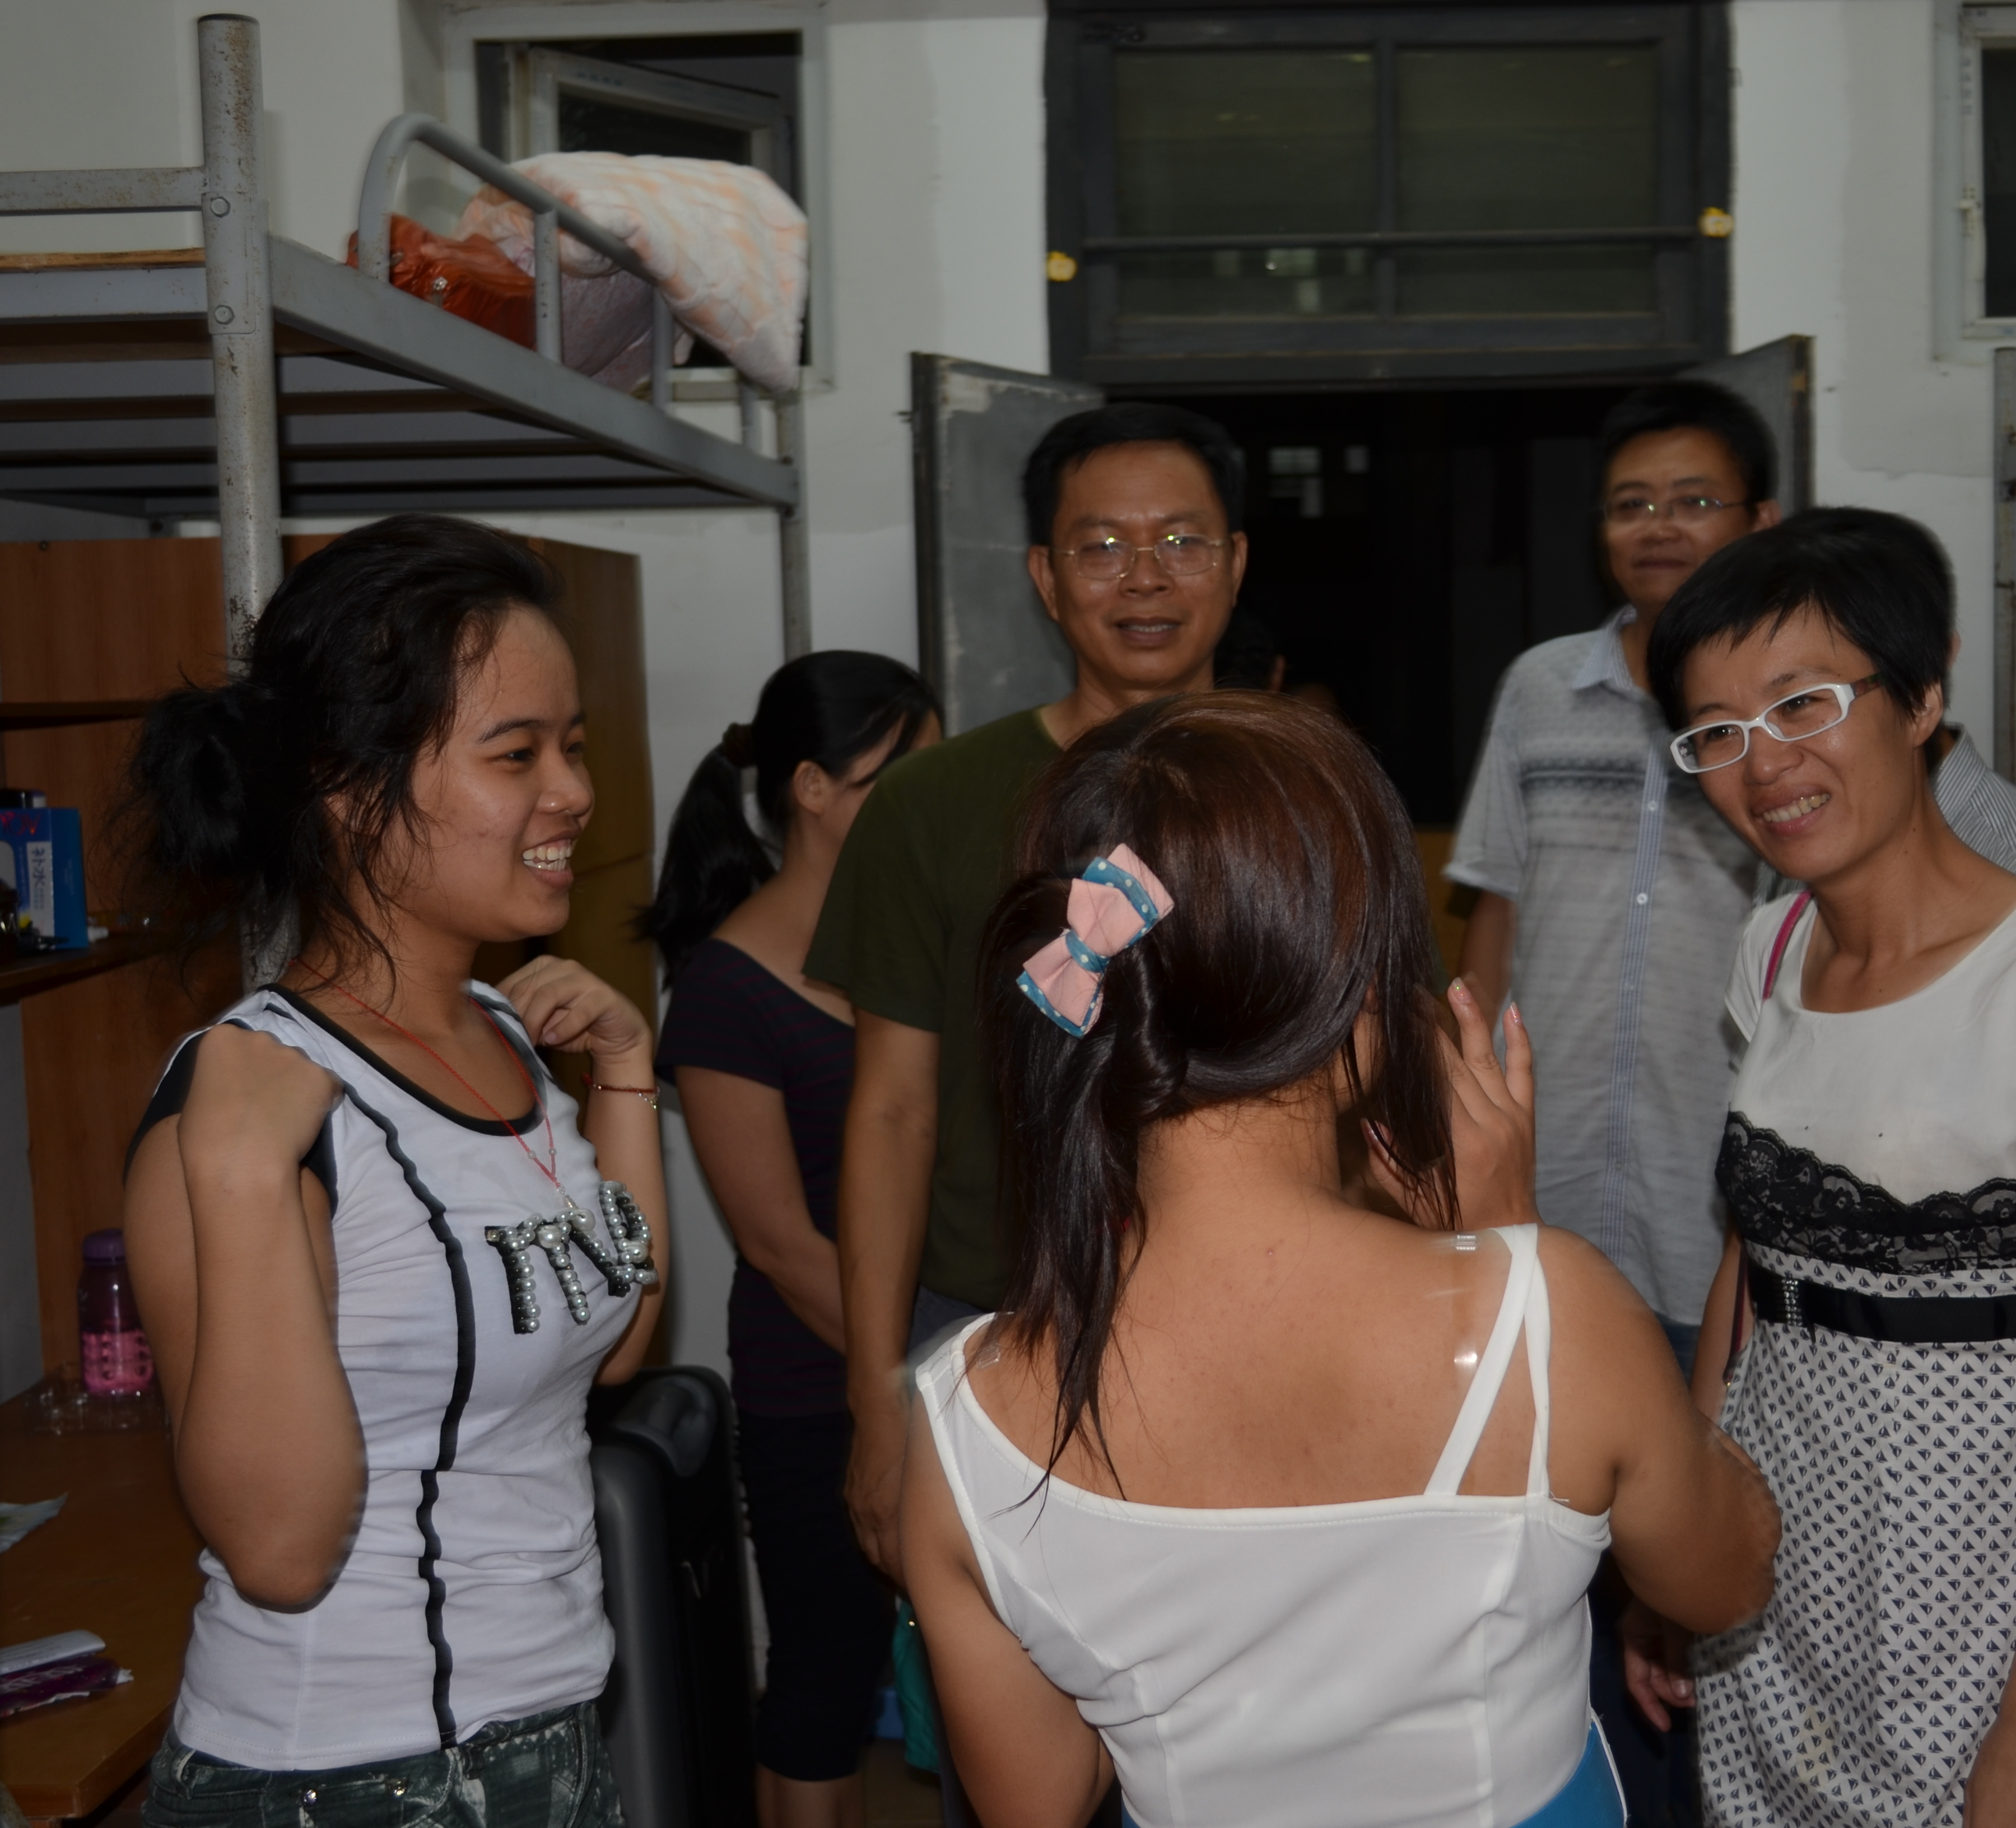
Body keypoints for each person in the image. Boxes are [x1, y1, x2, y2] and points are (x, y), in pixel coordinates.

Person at [901, 693, 1781, 1828]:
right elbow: (1726, 1579)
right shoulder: (1548, 1314)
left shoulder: (965, 1420)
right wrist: (1508, 1245)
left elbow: (1044, 1798)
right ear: (1363, 999)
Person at [120, 516, 667, 1827]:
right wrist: (242, 1179)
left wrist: (628, 1076)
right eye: (516, 754)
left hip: (540, 1735)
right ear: (351, 789)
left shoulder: (502, 1035)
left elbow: (613, 1345)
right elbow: (280, 1552)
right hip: (348, 1776)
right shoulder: (252, 1105)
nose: (572, 793)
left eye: (573, 746)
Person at [1645, 507, 2016, 1827]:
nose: (1765, 766)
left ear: (1923, 700)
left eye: (1803, 705)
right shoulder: (1773, 948)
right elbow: (1750, 1269)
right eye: (1717, 732)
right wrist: (1688, 1552)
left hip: (1970, 1573)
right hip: (1775, 1545)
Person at [812, 402, 1246, 1592]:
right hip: (989, 1322)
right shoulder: (933, 803)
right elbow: (892, 1111)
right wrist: (876, 1398)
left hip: (1253, 1320)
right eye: (1102, 546)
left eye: (1182, 541)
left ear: (1236, 562)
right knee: (996, 1682)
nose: (1144, 576)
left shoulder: (1309, 796)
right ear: (1045, 577)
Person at [1447, 381, 1781, 1818]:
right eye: (1633, 503)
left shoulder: (1777, 707)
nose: (1659, 527)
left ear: (1759, 519)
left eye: (1693, 500)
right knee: (1548, 1537)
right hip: (1552, 1197)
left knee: (1706, 1539)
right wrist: (1466, 1113)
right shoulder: (1540, 689)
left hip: (1718, 1210)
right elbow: (1494, 909)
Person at [640, 653, 942, 1828]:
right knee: (825, 1676)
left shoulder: (916, 941)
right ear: (812, 789)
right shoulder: (726, 988)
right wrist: (907, 1376)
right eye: (901, 778)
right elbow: (773, 1240)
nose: (929, 801)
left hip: (942, 1361)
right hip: (819, 1385)